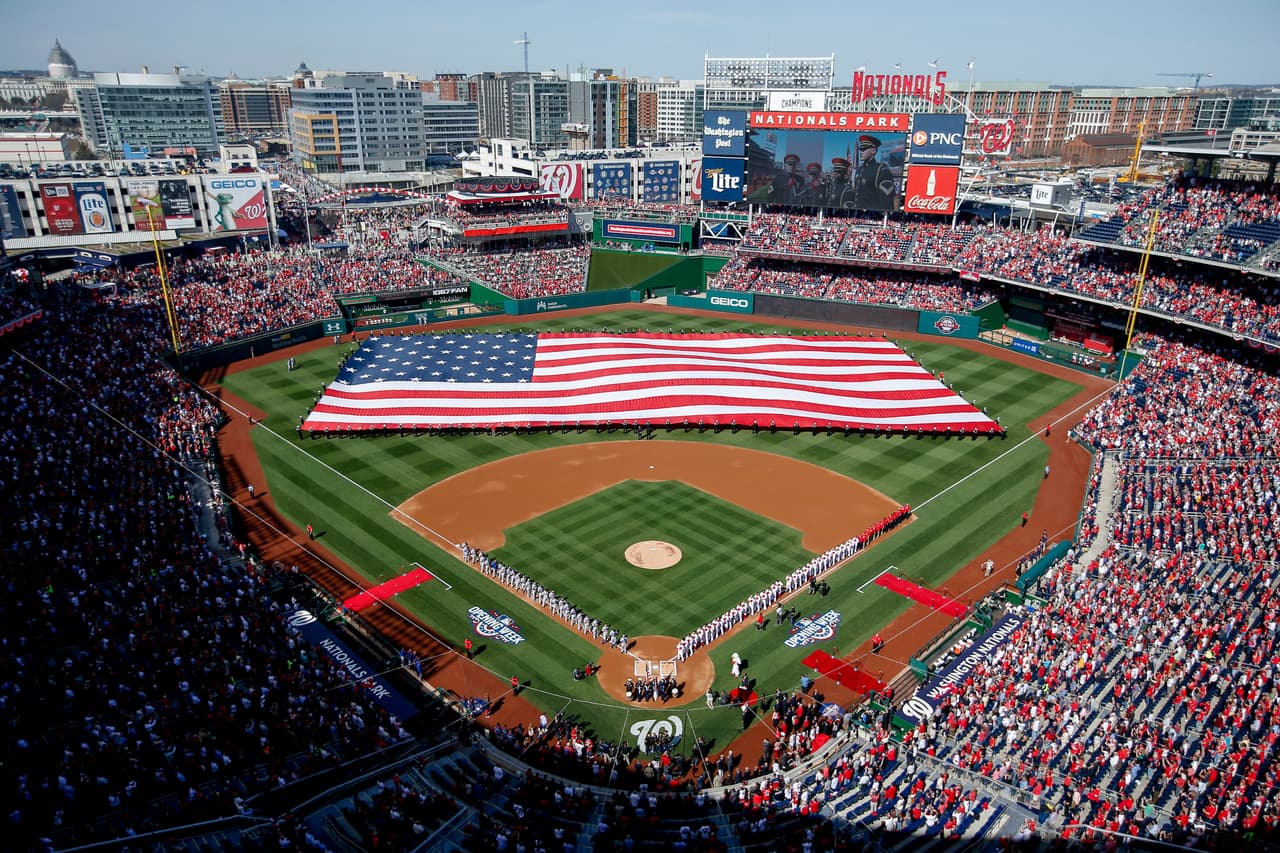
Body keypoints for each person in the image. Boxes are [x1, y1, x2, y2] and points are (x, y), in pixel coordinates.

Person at [849, 135, 897, 211]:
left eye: (864, 149)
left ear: (873, 151)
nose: (861, 152)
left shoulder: (881, 170)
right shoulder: (859, 169)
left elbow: (886, 203)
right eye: (860, 149)